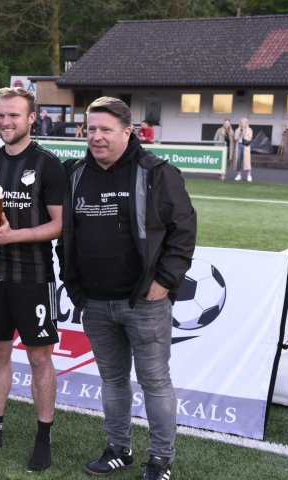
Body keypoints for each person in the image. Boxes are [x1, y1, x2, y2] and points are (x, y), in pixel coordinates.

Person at [57, 97, 196, 480]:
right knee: (112, 380)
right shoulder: (75, 173)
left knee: (154, 382)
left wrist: (163, 283)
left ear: (127, 132)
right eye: (92, 129)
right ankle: (119, 448)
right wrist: (75, 289)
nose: (97, 138)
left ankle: (160, 460)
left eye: (106, 130)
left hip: (144, 303)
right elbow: (66, 237)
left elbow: (183, 232)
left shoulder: (156, 172)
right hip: (96, 303)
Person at [0, 87, 66, 471]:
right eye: (1, 116)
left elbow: (59, 225)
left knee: (39, 357)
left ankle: (43, 437)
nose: (6, 122)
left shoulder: (48, 164)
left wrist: (11, 236)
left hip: (34, 277)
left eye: (14, 116)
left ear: (31, 118)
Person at [234, 117, 253, 182]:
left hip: (246, 146)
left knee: (247, 161)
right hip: (239, 145)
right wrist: (239, 135)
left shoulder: (250, 130)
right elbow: (235, 138)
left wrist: (244, 135)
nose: (242, 123)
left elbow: (249, 139)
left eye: (244, 122)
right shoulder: (237, 130)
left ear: (246, 123)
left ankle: (249, 175)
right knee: (238, 160)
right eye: (241, 122)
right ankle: (239, 175)